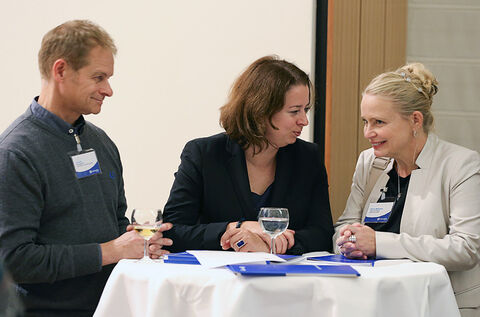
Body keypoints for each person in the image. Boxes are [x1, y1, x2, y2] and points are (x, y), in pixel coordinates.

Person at [0, 20, 172, 316]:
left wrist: (138, 245)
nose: (108, 90)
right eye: (99, 77)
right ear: (61, 70)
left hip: (110, 307)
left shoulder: (102, 142)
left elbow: (115, 224)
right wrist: (111, 251)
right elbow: (13, 260)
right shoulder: (16, 153)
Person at [334, 63, 480, 315]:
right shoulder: (369, 162)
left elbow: (465, 248)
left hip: (437, 304)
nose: (368, 133)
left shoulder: (460, 164)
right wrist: (348, 240)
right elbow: (345, 223)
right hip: (372, 302)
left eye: (379, 122)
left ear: (415, 120)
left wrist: (378, 243)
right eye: (365, 122)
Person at [163, 55, 334, 255]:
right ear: (260, 111)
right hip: (218, 281)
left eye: (305, 110)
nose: (304, 121)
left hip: (286, 281)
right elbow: (173, 231)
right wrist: (236, 228)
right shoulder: (203, 154)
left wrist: (274, 244)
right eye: (295, 111)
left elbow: (322, 233)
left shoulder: (308, 157)